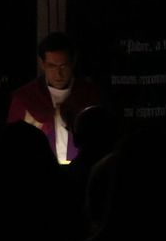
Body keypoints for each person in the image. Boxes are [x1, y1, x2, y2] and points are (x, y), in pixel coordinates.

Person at [6, 32, 101, 165]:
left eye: (63, 66)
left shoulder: (90, 95)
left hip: (82, 169)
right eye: (52, 66)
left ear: (73, 62)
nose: (58, 73)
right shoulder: (25, 98)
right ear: (42, 64)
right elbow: (10, 144)